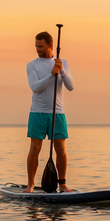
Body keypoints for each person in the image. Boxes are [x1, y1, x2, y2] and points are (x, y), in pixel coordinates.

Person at [24, 31, 75, 193]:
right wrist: (52, 74)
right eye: (36, 46)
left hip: (58, 113)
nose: (37, 49)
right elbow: (35, 87)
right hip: (37, 112)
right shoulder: (32, 65)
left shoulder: (62, 62)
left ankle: (62, 184)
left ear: (50, 45)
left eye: (40, 46)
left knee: (60, 148)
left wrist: (62, 71)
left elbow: (71, 87)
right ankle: (30, 184)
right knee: (35, 148)